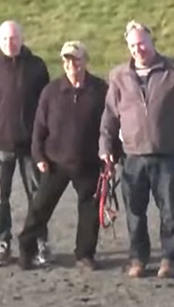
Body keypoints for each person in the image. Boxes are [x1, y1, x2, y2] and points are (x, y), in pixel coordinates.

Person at [99, 21, 174, 279]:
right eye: (133, 45)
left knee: (170, 210)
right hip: (132, 156)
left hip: (166, 153)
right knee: (135, 212)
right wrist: (105, 147)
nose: (139, 49)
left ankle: (169, 259)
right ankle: (138, 258)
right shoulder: (118, 76)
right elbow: (109, 117)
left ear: (151, 41)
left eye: (142, 43)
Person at [17, 41, 108, 271]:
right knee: (39, 208)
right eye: (66, 60)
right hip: (55, 162)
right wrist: (38, 155)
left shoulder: (100, 90)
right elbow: (39, 127)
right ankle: (26, 250)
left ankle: (85, 254)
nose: (71, 65)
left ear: (85, 61)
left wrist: (111, 154)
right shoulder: (52, 91)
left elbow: (110, 125)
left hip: (89, 162)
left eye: (75, 59)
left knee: (89, 212)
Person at [0, 20, 51, 267]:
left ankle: (39, 242)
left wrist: (45, 141)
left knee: (37, 196)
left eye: (14, 38)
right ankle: (3, 243)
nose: (11, 43)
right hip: (1, 145)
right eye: (6, 39)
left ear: (22, 38)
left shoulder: (37, 67)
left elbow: (46, 107)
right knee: (1, 198)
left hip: (30, 145)